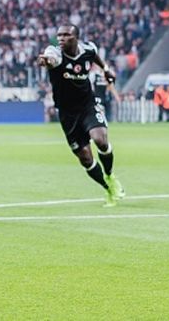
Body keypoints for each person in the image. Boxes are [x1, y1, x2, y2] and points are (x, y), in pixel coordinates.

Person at [36, 24, 125, 207]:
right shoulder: (54, 52)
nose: (61, 38)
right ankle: (107, 187)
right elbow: (50, 59)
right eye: (59, 35)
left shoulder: (88, 49)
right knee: (85, 158)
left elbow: (96, 57)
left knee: (100, 139)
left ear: (76, 37)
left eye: (66, 35)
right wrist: (45, 62)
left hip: (88, 105)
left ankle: (110, 175)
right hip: (68, 114)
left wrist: (106, 69)